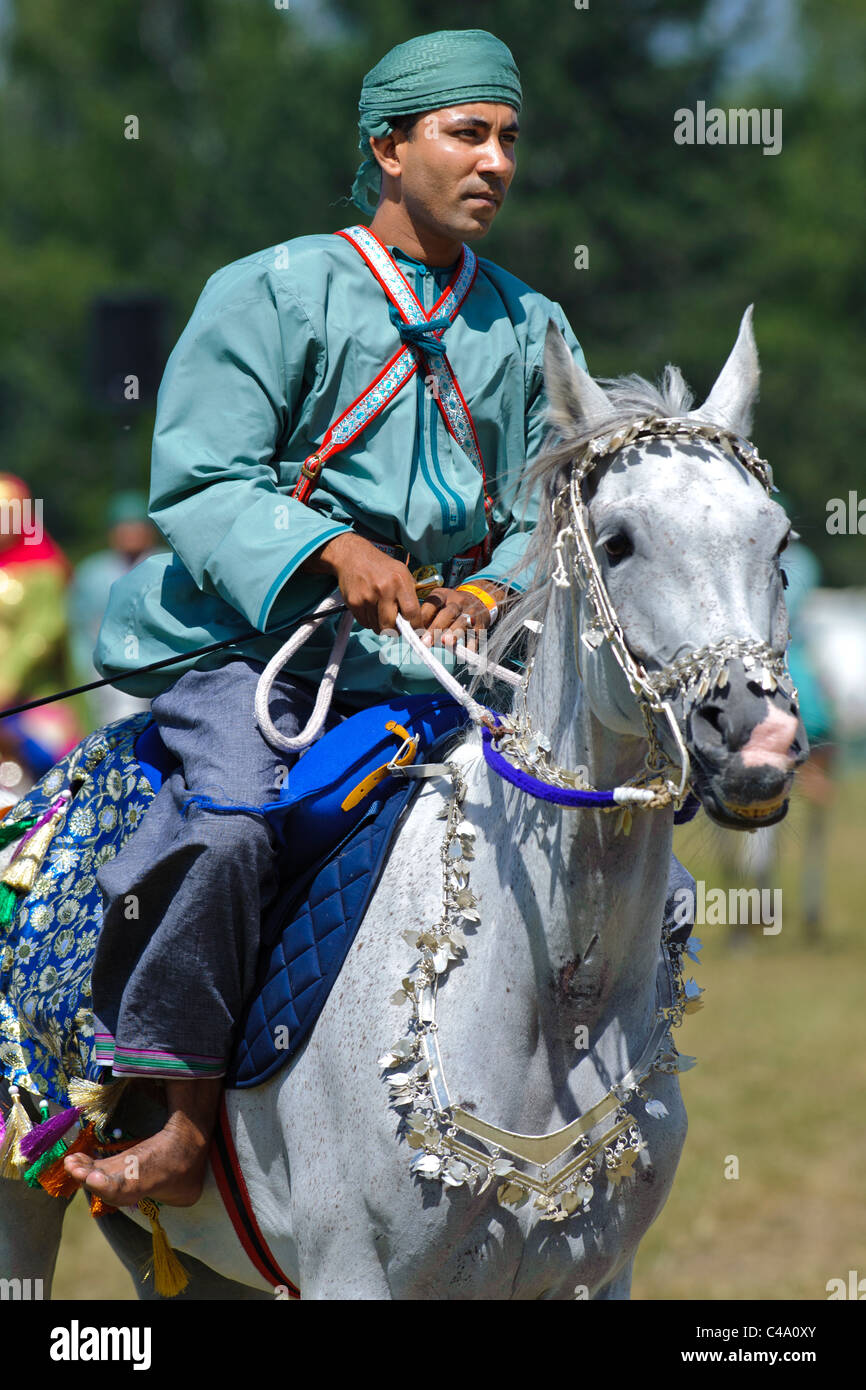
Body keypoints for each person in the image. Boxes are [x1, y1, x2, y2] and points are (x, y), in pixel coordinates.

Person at [64, 29, 588, 1206]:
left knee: (589, 826)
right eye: (466, 133)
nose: (495, 162)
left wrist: (497, 585)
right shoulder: (270, 290)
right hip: (261, 655)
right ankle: (183, 1111)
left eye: (508, 138)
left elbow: (552, 500)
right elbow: (199, 480)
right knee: (235, 830)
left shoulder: (531, 322)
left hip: (453, 674)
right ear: (388, 148)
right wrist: (329, 548)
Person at [67, 491, 161, 729]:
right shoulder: (92, 573)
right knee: (115, 724)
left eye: (136, 525)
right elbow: (78, 625)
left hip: (159, 656)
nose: (130, 533)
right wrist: (82, 663)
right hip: (107, 660)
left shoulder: (167, 565)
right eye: (123, 526)